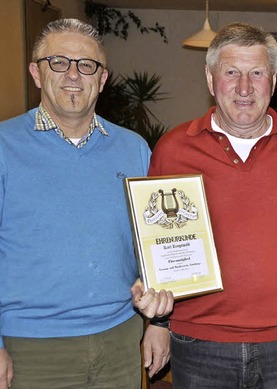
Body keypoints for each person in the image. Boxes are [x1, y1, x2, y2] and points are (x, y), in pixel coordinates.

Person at [144, 22, 277, 388]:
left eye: (256, 73)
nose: (244, 88)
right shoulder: (174, 150)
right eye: (231, 73)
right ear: (211, 80)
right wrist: (158, 323)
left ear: (273, 80)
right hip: (198, 342)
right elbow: (157, 247)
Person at [0, 18, 172, 389]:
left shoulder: (134, 149)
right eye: (58, 62)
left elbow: (154, 246)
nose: (73, 74)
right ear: (36, 72)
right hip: (30, 349)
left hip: (120, 340)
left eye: (87, 65)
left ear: (103, 78)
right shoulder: (3, 146)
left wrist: (158, 324)